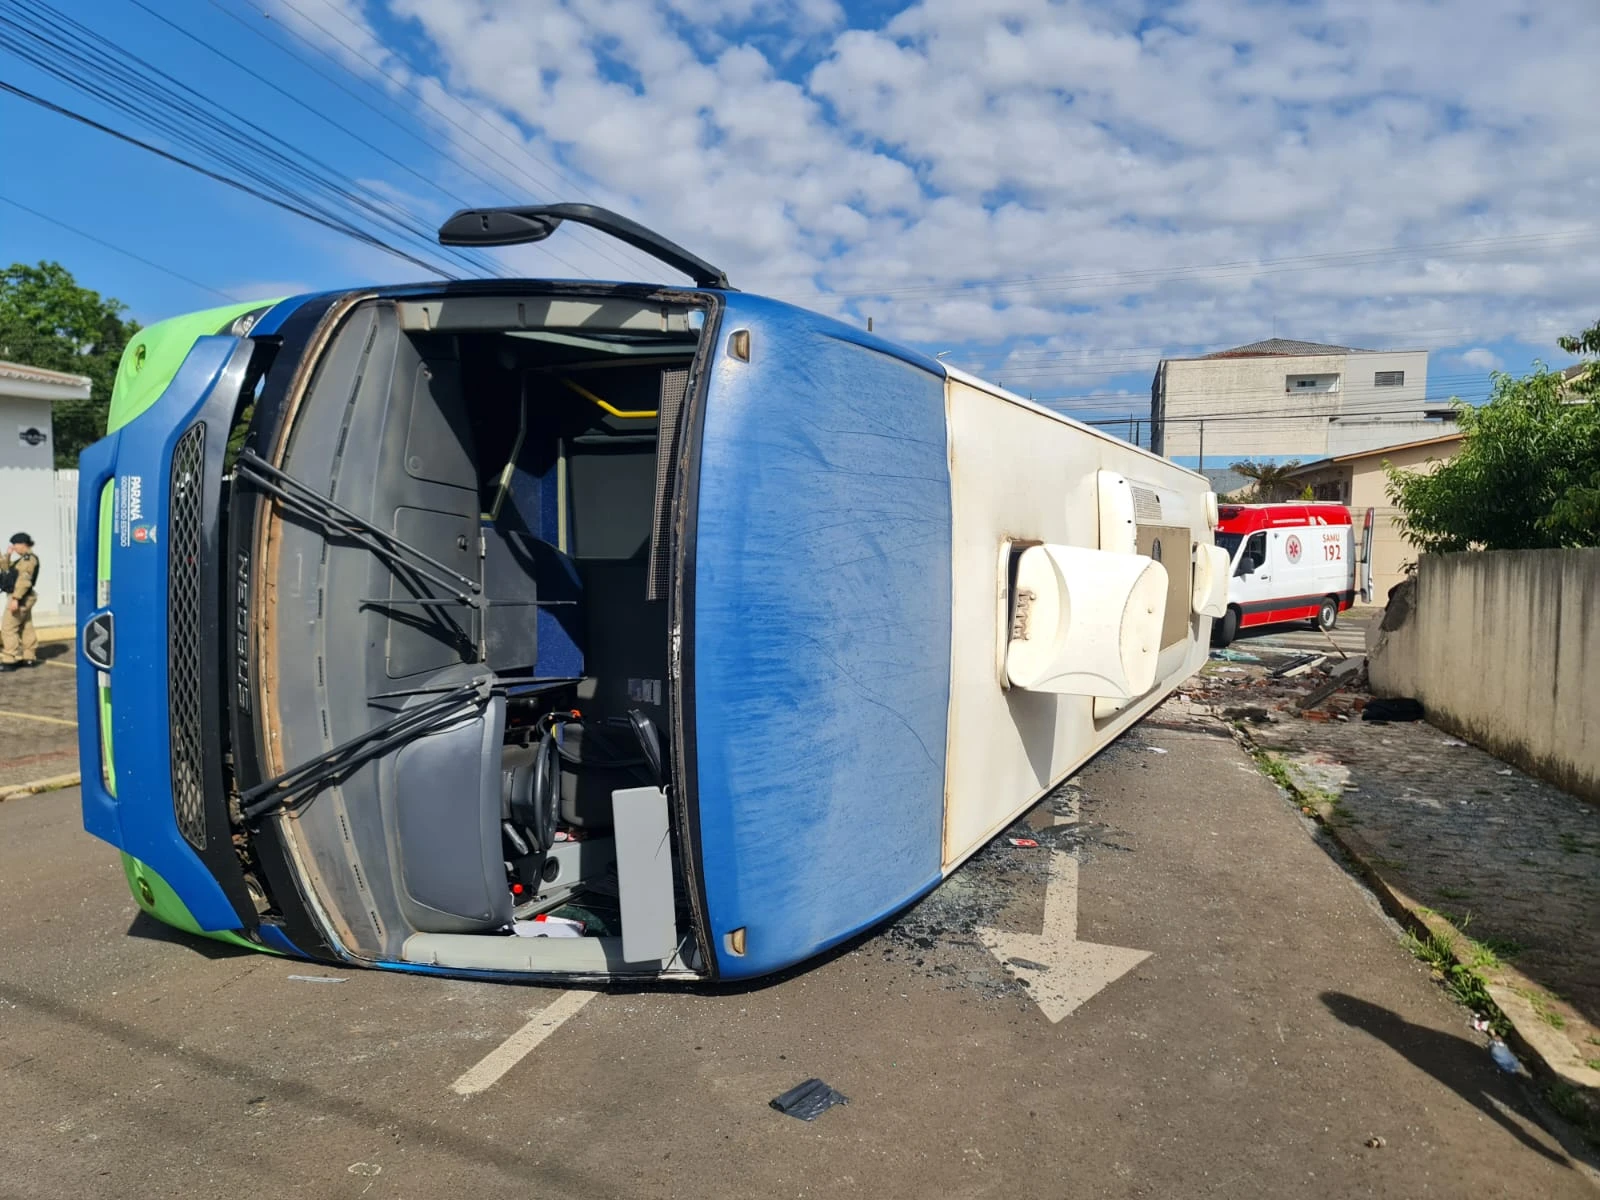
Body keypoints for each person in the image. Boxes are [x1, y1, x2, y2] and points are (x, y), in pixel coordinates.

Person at [1, 532, 40, 671]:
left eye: (16, 545)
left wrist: (16, 599)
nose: (14, 547)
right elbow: (7, 569)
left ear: (23, 544)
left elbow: (24, 581)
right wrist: (8, 555)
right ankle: (29, 657)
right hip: (25, 597)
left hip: (21, 597)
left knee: (8, 627)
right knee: (26, 626)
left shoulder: (28, 560)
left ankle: (9, 658)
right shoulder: (23, 559)